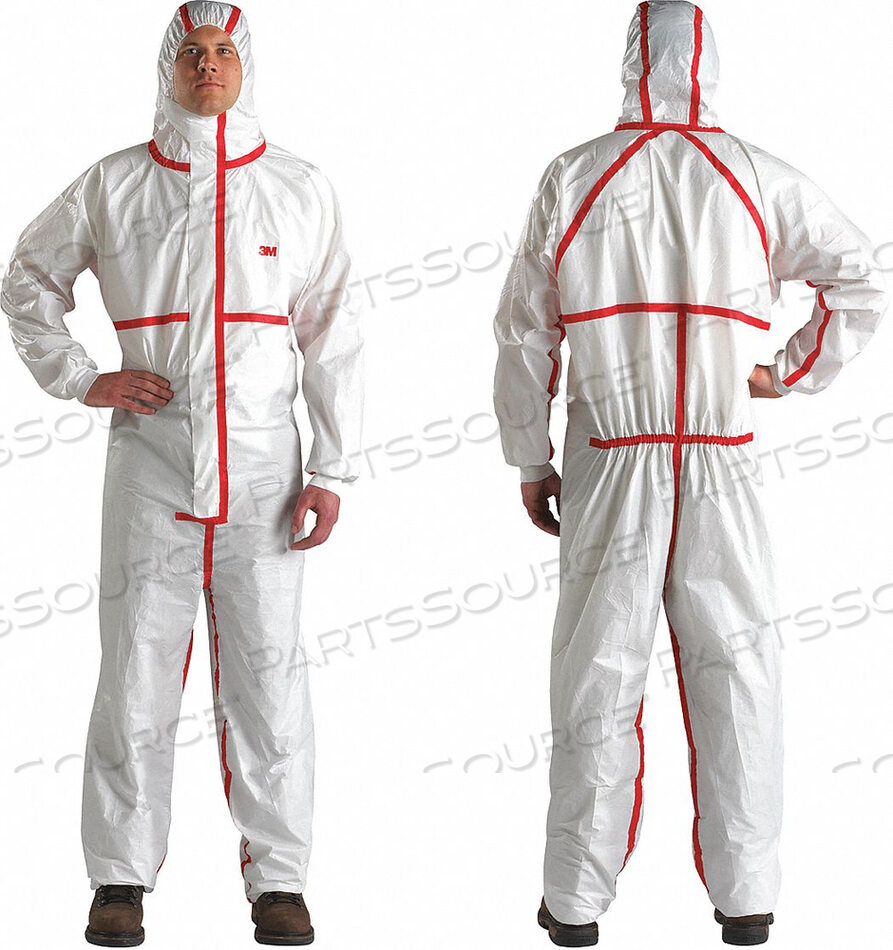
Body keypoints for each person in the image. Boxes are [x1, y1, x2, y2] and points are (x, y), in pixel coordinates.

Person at [492, 1, 886, 946]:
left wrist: (529, 455)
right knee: (737, 670)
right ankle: (746, 900)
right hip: (720, 454)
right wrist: (785, 372)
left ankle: (573, 904)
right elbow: (861, 278)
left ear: (630, 61)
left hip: (609, 455)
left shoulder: (574, 173)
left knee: (596, 677)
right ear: (707, 64)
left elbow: (523, 329)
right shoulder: (754, 173)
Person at [1, 2, 363, 946]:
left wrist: (333, 465)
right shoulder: (115, 184)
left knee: (269, 684)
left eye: (224, 50)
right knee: (134, 675)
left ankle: (278, 882)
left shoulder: (297, 187)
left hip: (264, 474)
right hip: (151, 466)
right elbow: (26, 279)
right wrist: (83, 378)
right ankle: (119, 880)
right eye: (193, 52)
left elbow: (335, 335)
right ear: (168, 67)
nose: (209, 65)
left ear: (246, 66)